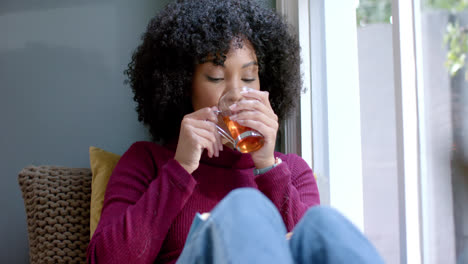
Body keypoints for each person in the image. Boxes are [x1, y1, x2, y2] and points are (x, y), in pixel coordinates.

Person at [86, 0, 383, 263]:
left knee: (322, 223)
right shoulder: (147, 161)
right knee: (245, 206)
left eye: (249, 77)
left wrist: (267, 167)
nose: (237, 93)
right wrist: (180, 169)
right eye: (216, 77)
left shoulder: (291, 170)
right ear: (183, 85)